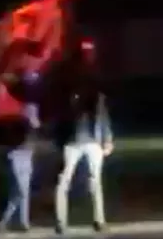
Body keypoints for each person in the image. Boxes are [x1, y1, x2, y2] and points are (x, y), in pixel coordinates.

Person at [53, 38, 113, 235]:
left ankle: (98, 220)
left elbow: (102, 110)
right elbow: (62, 110)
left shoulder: (94, 80)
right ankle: (62, 222)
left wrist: (107, 137)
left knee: (93, 181)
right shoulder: (69, 79)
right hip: (75, 139)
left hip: (90, 138)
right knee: (66, 181)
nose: (88, 56)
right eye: (85, 52)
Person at [0, 41, 43, 234]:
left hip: (26, 146)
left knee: (23, 188)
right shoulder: (16, 97)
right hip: (17, 148)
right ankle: (7, 222)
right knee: (21, 188)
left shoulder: (29, 99)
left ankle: (21, 222)